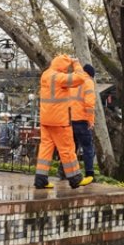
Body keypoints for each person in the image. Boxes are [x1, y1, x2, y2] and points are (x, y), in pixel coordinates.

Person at [35, 54, 90, 189]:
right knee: (67, 149)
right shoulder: (59, 78)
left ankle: (40, 179)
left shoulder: (46, 74)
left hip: (46, 119)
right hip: (59, 120)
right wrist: (76, 63)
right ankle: (75, 178)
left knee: (45, 148)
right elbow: (81, 78)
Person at [70, 64, 98, 181]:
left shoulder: (72, 80)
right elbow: (89, 104)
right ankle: (89, 174)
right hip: (82, 120)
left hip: (69, 119)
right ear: (91, 75)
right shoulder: (88, 82)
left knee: (71, 148)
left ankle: (68, 173)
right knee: (87, 147)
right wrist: (90, 121)